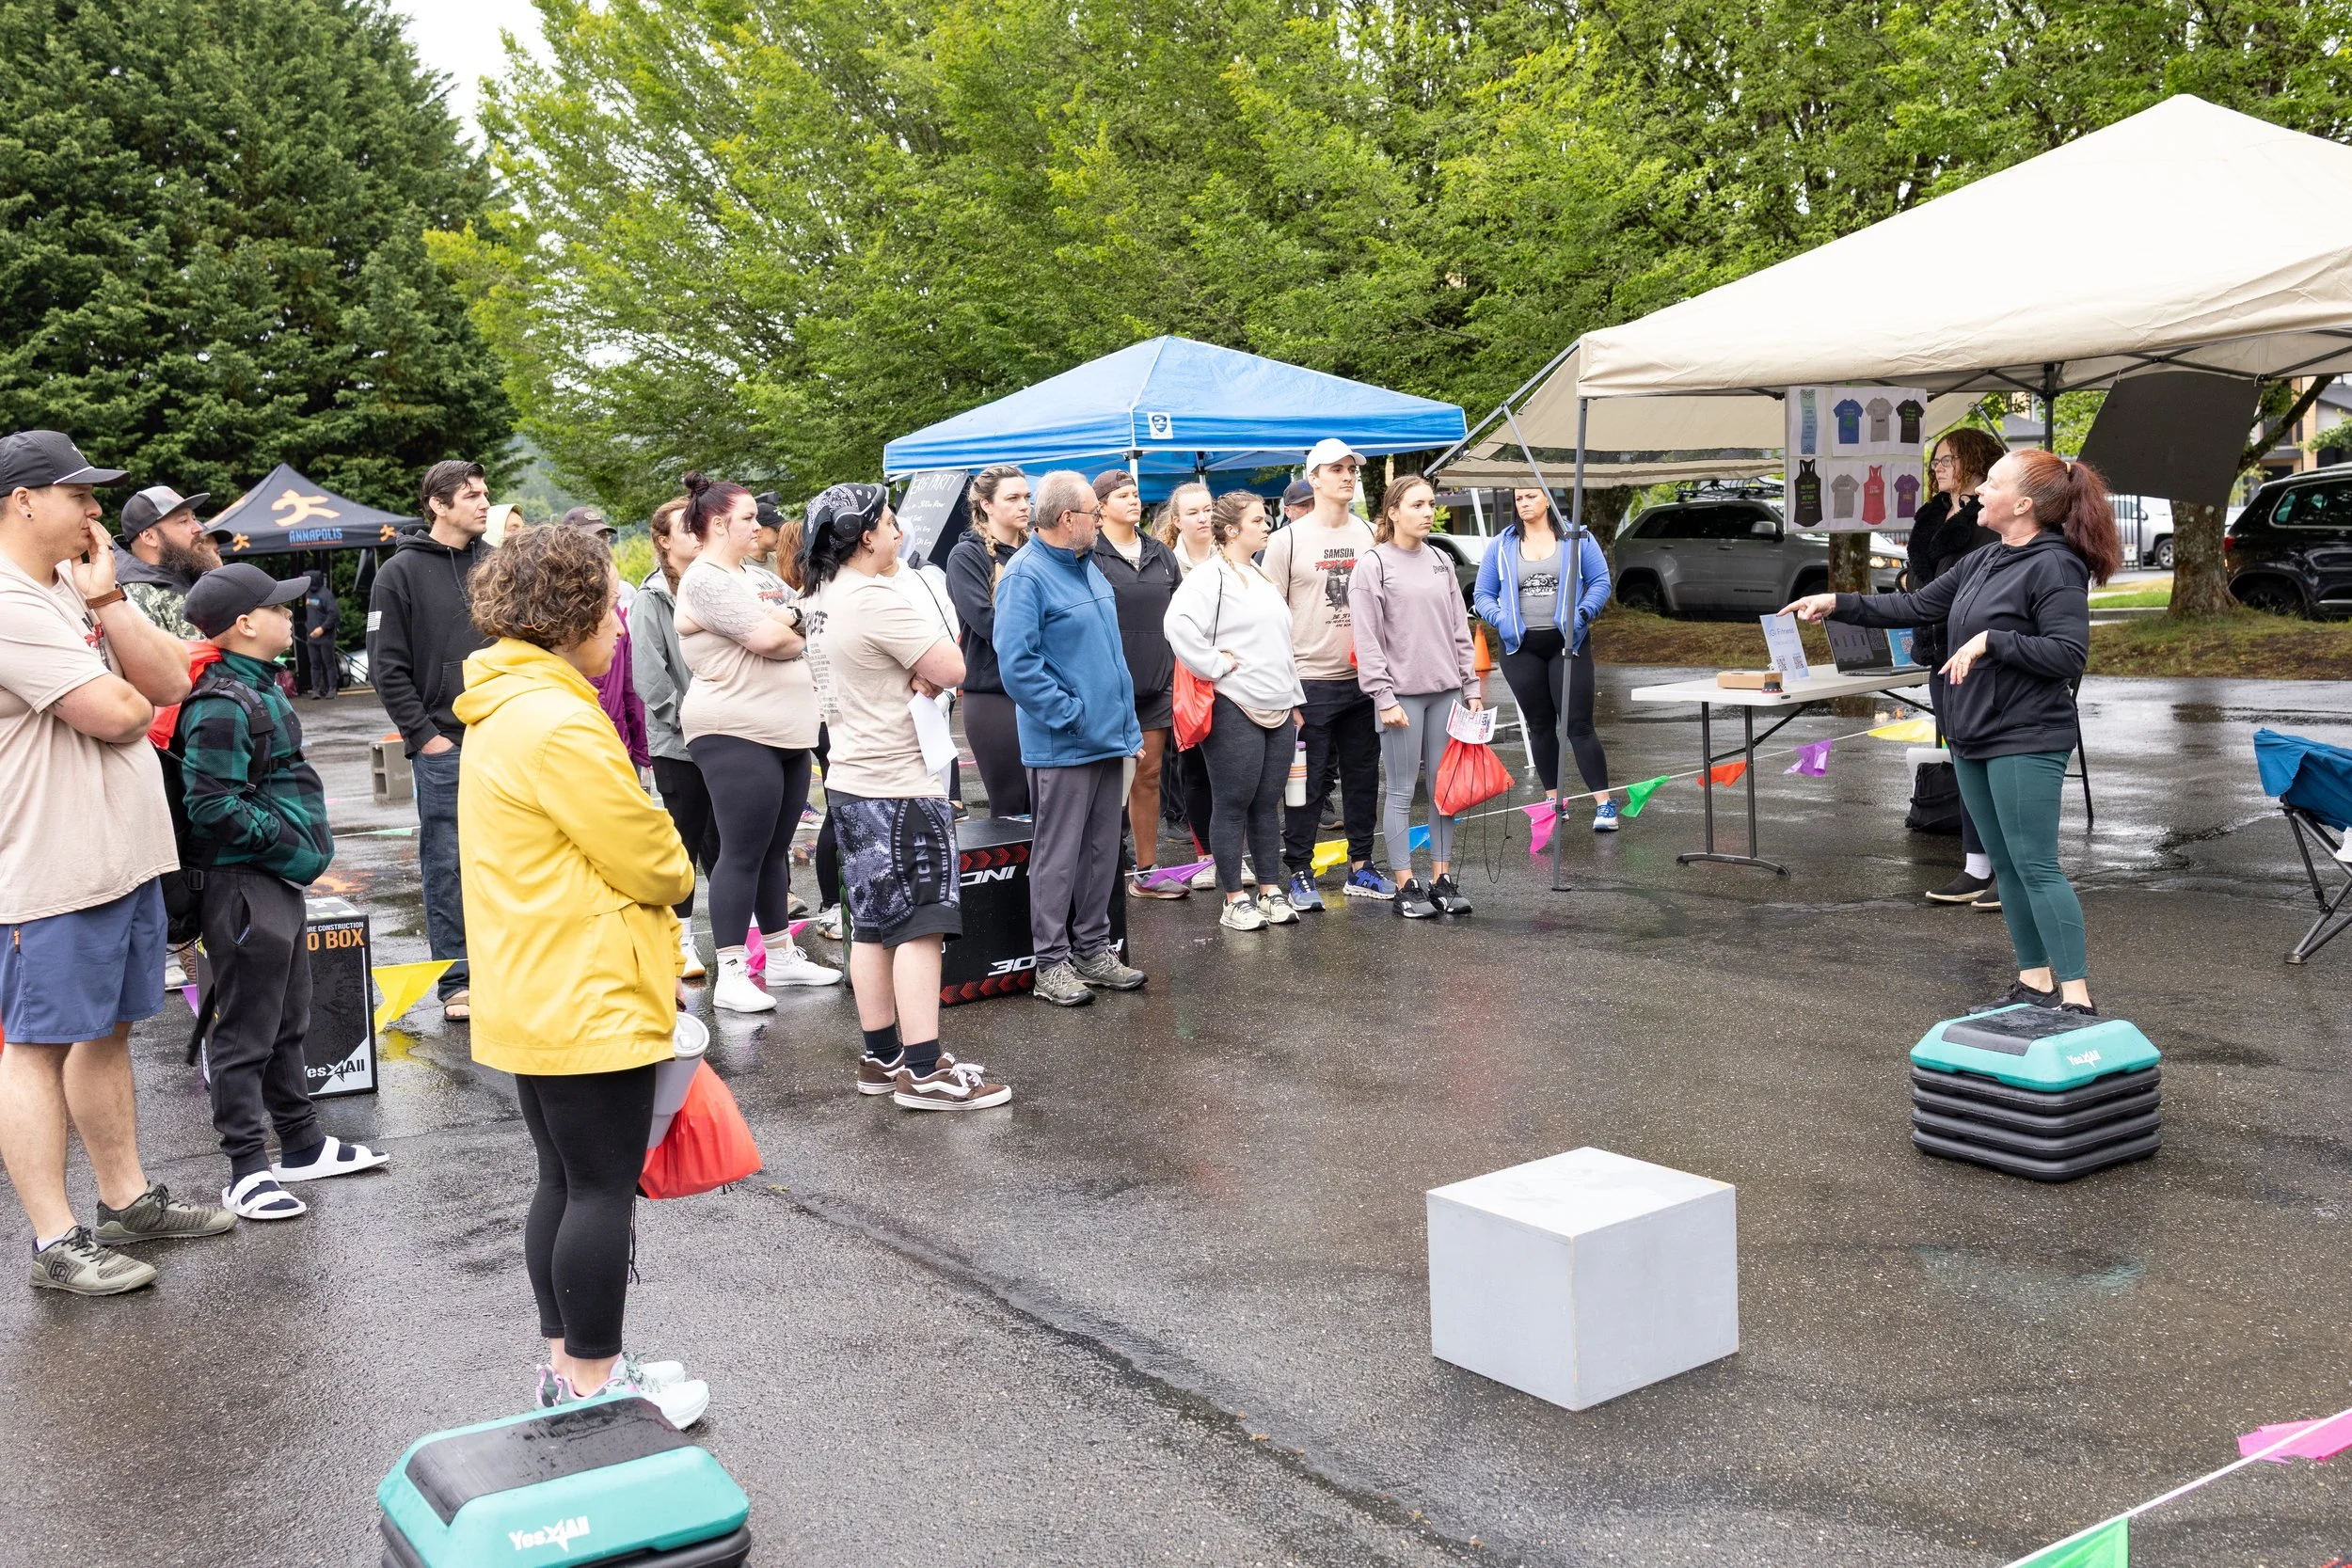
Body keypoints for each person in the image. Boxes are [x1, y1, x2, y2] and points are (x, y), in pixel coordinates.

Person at [451, 525, 707, 1429]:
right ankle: (596, 1384)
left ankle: (569, 1366)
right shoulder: (561, 718)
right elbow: (657, 860)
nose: (619, 619)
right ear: (572, 614)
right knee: (598, 1186)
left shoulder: (506, 701)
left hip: (536, 977)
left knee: (562, 1180)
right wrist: (669, 855)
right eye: (609, 601)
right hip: (584, 984)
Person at [0, 430, 233, 1296]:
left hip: (122, 857)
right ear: (24, 501)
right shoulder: (10, 603)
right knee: (34, 1044)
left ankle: (125, 1200)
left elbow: (171, 683)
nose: (99, 512)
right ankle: (56, 1241)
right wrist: (122, 671)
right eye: (81, 495)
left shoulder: (70, 586)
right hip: (51, 866)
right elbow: (119, 712)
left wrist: (107, 603)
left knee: (108, 1030)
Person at [1785, 450, 2120, 1014]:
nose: (1980, 491)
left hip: (2026, 734)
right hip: (1972, 732)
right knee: (2007, 865)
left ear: (2024, 504)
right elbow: (1916, 605)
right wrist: (1836, 602)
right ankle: (2036, 982)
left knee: (2035, 864)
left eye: (1992, 482)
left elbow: (2067, 653)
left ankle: (2079, 998)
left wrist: (1992, 641)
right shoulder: (1986, 560)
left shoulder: (2055, 565)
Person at [177, 564, 389, 1220]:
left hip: (273, 881)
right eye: (276, 606)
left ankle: (300, 1143)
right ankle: (245, 1167)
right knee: (245, 1030)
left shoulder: (258, 686)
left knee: (289, 1019)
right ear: (244, 624)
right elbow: (209, 804)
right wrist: (284, 840)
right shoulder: (219, 700)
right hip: (243, 884)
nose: (289, 615)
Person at [798, 484, 1009, 1109]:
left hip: (851, 778)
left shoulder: (818, 598)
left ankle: (882, 1055)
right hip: (900, 782)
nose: (898, 531)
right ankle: (924, 1068)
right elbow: (953, 667)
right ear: (865, 535)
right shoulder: (876, 595)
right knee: (919, 926)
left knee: (871, 925)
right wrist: (927, 666)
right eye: (889, 521)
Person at [674, 473, 837, 1011]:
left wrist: (789, 620)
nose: (759, 524)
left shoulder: (757, 575)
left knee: (775, 850)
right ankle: (732, 973)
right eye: (747, 517)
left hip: (789, 729)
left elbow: (820, 617)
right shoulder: (705, 578)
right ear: (719, 523)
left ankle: (782, 955)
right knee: (741, 852)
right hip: (734, 728)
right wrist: (793, 624)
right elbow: (770, 639)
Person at [993, 470, 1149, 1008]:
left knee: (1102, 852)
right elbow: (1017, 666)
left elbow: (1108, 658)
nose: (1101, 520)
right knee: (1059, 857)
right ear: (1068, 520)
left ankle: (1092, 950)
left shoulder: (1088, 567)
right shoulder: (1027, 576)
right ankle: (1052, 963)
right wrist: (1073, 715)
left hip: (1106, 738)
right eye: (1093, 513)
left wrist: (1124, 728)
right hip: (1065, 742)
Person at [368, 458, 493, 1021]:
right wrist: (426, 738)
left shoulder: (498, 565)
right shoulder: (397, 574)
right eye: (470, 495)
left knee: (514, 859)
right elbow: (386, 667)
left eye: (485, 493)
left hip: (507, 738)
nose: (484, 503)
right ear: (438, 505)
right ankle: (458, 982)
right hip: (446, 743)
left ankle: (510, 972)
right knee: (448, 863)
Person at [1164, 491, 1303, 931]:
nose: (1267, 527)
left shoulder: (1258, 574)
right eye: (1259, 520)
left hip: (1279, 704)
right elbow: (1177, 624)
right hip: (1234, 704)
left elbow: (1280, 643)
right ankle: (1233, 899)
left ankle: (1268, 890)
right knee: (1232, 803)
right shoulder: (1210, 577)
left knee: (1266, 804)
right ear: (1231, 530)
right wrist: (1215, 665)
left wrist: (1295, 697)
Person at [1262, 440, 1392, 909]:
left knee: (1362, 777)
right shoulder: (1286, 541)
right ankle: (1299, 870)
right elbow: (1269, 618)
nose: (1347, 477)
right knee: (1307, 783)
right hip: (1308, 681)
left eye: (1352, 469)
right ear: (1313, 478)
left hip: (1363, 679)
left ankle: (1362, 866)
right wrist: (1285, 688)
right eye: (1335, 469)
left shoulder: (1366, 533)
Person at [1350, 473, 1482, 920]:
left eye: (1431, 504)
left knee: (1445, 792)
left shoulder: (1441, 561)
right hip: (1401, 698)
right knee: (1402, 792)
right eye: (1417, 505)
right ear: (1392, 512)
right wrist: (1383, 697)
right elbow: (1367, 641)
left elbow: (1460, 631)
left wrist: (1472, 688)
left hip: (1446, 693)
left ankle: (1442, 878)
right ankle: (1406, 883)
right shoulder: (1373, 565)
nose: (1427, 512)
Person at [1906, 428, 2008, 908]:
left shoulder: (1990, 516)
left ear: (1975, 461)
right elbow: (1920, 581)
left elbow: (1984, 579)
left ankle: (2005, 870)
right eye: (1935, 461)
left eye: (1947, 459)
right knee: (1962, 759)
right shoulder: (1930, 515)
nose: (1938, 467)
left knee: (1987, 759)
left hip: (1977, 648)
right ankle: (1975, 866)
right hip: (1935, 646)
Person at [1473, 487, 1616, 828]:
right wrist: (1502, 619)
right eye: (1519, 498)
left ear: (1548, 500)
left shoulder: (1577, 537)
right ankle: (1554, 802)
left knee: (1578, 724)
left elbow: (1599, 581)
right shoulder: (1502, 544)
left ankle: (1604, 803)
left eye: (1531, 497)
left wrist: (1583, 612)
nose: (1524, 504)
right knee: (1539, 725)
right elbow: (1482, 594)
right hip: (1521, 648)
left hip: (1569, 643)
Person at [1090, 469, 1188, 898]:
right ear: (1100, 506)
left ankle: (1146, 872)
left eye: (1135, 494)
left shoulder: (1161, 553)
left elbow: (1182, 613)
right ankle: (1103, 869)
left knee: (1147, 777)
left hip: (1156, 684)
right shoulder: (1088, 554)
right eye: (1122, 495)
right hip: (1107, 687)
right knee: (1105, 781)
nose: (1133, 500)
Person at [632, 496, 717, 979]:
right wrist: (690, 719)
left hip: (729, 735)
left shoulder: (720, 583)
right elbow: (650, 675)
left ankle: (744, 937)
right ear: (664, 542)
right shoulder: (652, 597)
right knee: (683, 842)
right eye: (686, 528)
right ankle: (680, 940)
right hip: (680, 742)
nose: (696, 533)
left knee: (728, 844)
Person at [945, 465, 1032, 817]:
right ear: (986, 505)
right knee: (1011, 806)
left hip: (1040, 689)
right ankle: (1017, 877)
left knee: (1046, 803)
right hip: (994, 694)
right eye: (1012, 498)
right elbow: (986, 622)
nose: (1024, 505)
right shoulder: (968, 556)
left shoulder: (1039, 550)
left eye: (1027, 496)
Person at [1152, 482, 1220, 883]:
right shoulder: (1166, 564)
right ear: (1176, 521)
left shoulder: (1231, 557)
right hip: (1185, 679)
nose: (1203, 517)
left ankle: (1232, 852)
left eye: (1208, 509)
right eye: (1193, 512)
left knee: (1231, 774)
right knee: (1194, 769)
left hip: (1231, 677)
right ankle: (1206, 855)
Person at [559, 507, 648, 771]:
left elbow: (629, 682)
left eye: (604, 537)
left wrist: (641, 751)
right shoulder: (555, 608)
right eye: (590, 538)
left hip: (619, 742)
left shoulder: (621, 592)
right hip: (577, 747)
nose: (600, 545)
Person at [112, 483, 218, 639]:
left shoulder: (192, 574)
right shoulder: (134, 597)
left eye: (193, 518)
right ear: (150, 537)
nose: (198, 528)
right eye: (183, 521)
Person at [297, 567, 342, 699]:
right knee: (314, 664)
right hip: (311, 636)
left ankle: (332, 689)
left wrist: (322, 628)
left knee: (329, 663)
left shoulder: (326, 594)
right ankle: (316, 689)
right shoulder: (308, 593)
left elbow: (334, 614)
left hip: (325, 636)